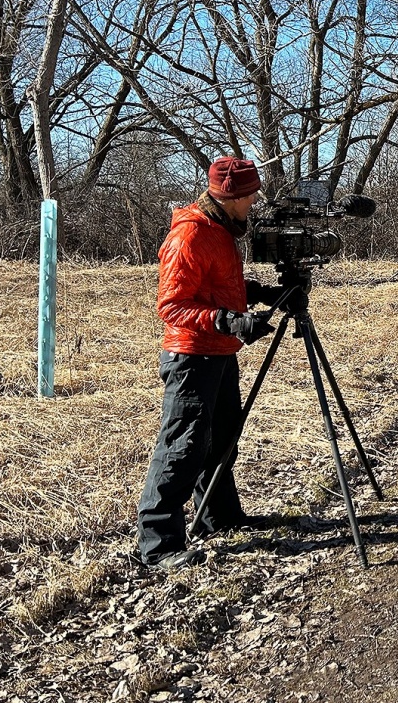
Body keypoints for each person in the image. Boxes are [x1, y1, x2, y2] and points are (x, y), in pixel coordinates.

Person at [135, 157, 283, 571]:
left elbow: (219, 286)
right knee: (182, 448)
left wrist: (260, 293)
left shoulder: (220, 231)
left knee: (220, 442)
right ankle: (159, 545)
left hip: (218, 351)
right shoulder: (191, 235)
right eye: (250, 196)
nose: (254, 203)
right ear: (231, 196)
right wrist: (225, 320)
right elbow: (172, 304)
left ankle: (219, 519)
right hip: (191, 355)